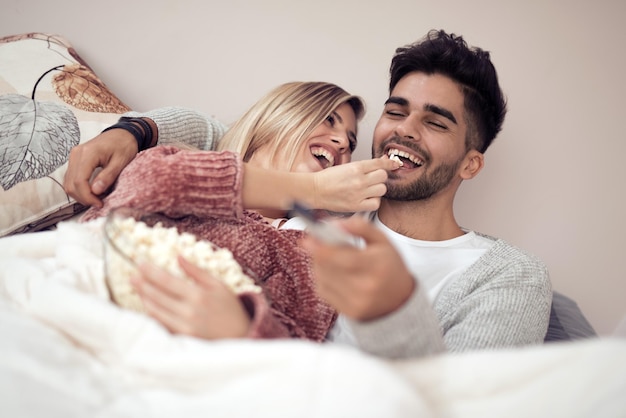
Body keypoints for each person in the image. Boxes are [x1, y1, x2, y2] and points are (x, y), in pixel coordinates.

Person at [65, 30, 552, 359]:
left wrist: (392, 312)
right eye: (396, 111)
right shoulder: (319, 206)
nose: (404, 132)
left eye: (435, 121)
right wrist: (135, 129)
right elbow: (231, 140)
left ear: (471, 162)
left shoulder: (509, 275)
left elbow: (462, 403)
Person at [79, 81, 399, 342]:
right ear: (277, 119)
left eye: (351, 141)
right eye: (329, 120)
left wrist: (244, 328)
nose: (343, 141)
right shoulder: (177, 158)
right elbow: (152, 186)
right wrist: (315, 189)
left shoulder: (307, 251)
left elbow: (296, 345)